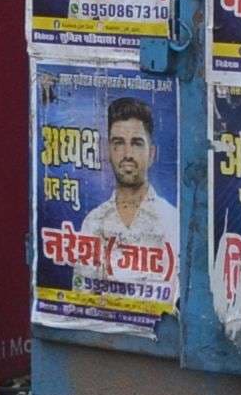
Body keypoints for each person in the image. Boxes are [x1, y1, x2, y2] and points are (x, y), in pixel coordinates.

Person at [75, 97, 177, 294]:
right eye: (118, 143)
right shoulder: (94, 222)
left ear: (152, 153)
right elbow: (83, 296)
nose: (127, 154)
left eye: (137, 143)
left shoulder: (171, 220)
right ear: (108, 151)